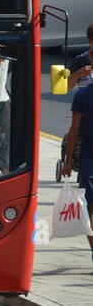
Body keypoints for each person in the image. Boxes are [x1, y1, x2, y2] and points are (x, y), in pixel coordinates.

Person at [61, 75, 93, 263]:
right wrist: (67, 161)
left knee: (89, 209)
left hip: (88, 159)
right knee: (88, 209)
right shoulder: (83, 95)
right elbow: (73, 131)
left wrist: (67, 162)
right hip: (89, 159)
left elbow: (73, 131)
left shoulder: (83, 95)